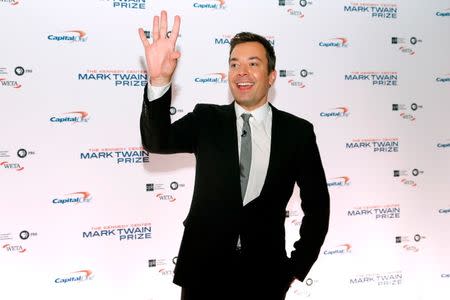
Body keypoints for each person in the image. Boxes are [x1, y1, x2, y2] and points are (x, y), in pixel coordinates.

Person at [138, 10, 330, 300]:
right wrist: (158, 80)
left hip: (266, 279)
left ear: (271, 76)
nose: (242, 72)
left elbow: (318, 208)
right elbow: (156, 140)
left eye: (253, 64)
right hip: (202, 275)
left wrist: (295, 267)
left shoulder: (298, 132)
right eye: (234, 64)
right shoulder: (206, 119)